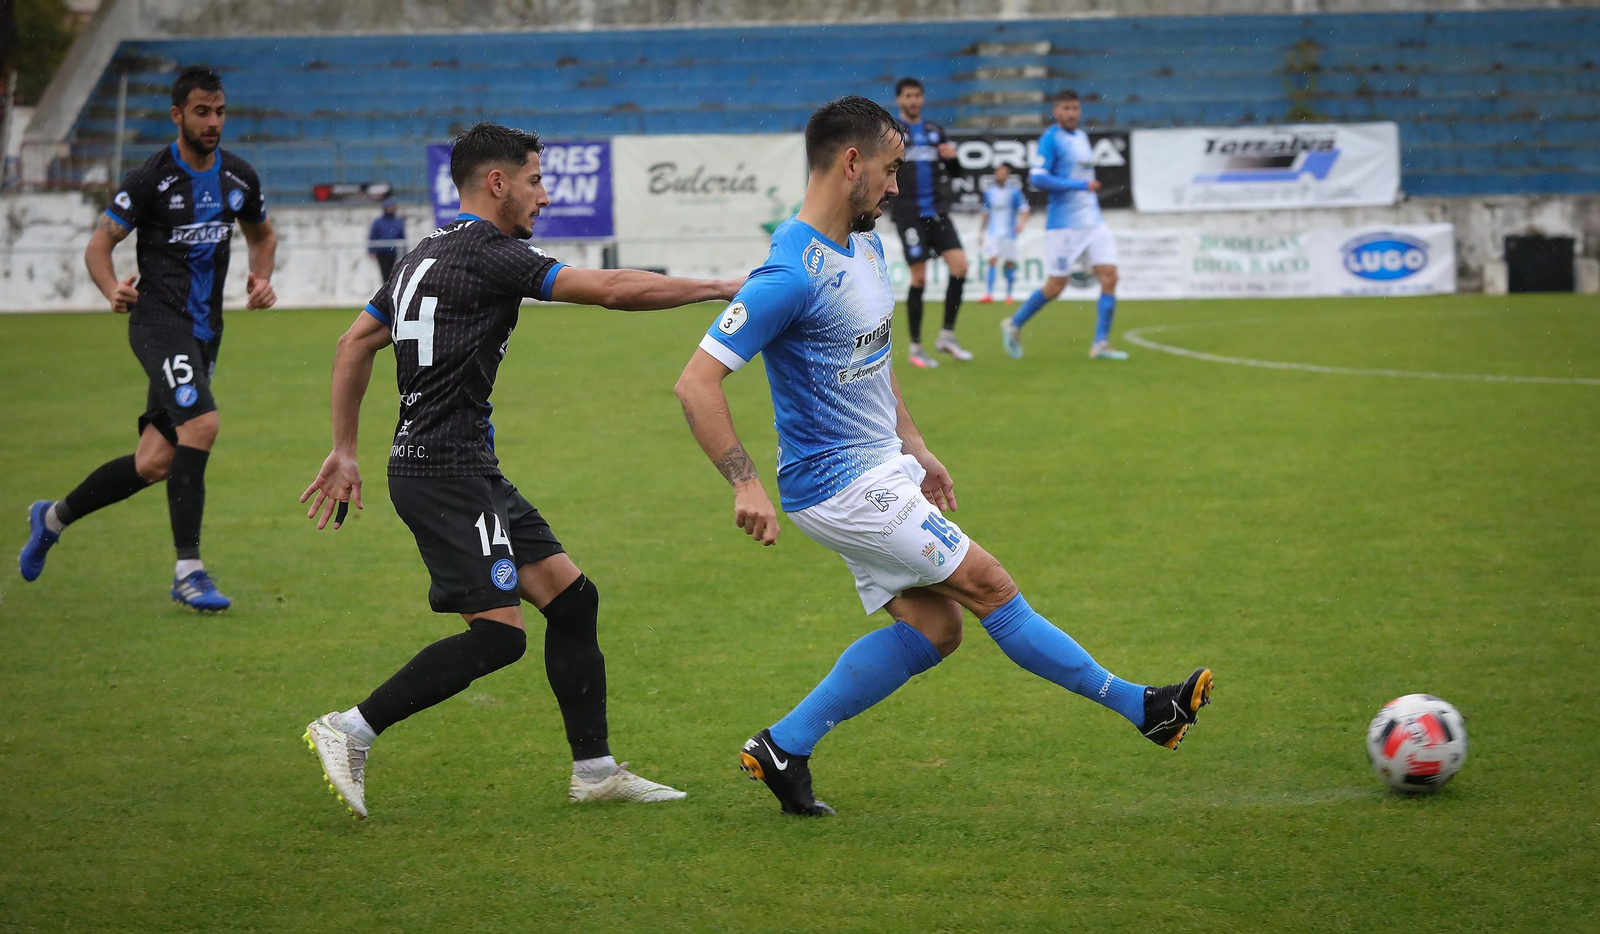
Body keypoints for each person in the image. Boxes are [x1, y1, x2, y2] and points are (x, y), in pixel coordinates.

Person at [674, 96, 1213, 817]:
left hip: (877, 467)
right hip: (839, 485)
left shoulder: (864, 246)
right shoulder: (790, 273)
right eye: (891, 169)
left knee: (936, 628)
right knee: (991, 586)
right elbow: (696, 382)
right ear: (852, 163)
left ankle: (784, 747)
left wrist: (917, 447)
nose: (898, 186)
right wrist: (743, 484)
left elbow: (873, 359)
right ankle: (1144, 708)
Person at [299, 123, 742, 820]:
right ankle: (351, 728)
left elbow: (353, 341)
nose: (545, 195)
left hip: (460, 466)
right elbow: (611, 288)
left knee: (572, 601)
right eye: (535, 180)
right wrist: (721, 286)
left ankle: (595, 772)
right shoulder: (491, 253)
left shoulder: (421, 254)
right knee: (499, 635)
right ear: (496, 182)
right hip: (444, 473)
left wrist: (344, 447)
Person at [18, 65, 277, 611]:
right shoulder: (150, 179)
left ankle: (52, 518)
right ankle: (189, 571)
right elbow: (99, 244)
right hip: (158, 324)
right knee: (202, 425)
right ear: (177, 115)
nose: (213, 122)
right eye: (201, 112)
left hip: (205, 333)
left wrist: (261, 277)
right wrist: (112, 287)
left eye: (220, 112)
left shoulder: (239, 177)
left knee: (154, 462)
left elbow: (263, 234)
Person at [1001, 90, 1126, 361]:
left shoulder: (1081, 137)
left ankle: (1101, 343)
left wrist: (1084, 188)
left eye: (1075, 108)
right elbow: (1038, 178)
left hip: (1093, 221)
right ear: (1055, 111)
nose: (1071, 113)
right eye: (1066, 108)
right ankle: (1014, 323)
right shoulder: (1051, 139)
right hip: (1064, 225)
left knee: (1110, 276)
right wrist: (1080, 185)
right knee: (1056, 285)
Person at [890, 77, 971, 367]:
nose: (913, 100)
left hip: (937, 212)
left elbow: (956, 172)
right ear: (899, 100)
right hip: (909, 214)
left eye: (917, 95)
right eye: (908, 96)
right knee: (919, 278)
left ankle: (947, 335)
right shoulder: (891, 132)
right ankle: (916, 347)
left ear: (922, 99)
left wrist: (953, 159)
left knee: (960, 267)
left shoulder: (935, 131)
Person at [977, 163, 1029, 303]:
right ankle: (989, 293)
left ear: (1007, 175)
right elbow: (986, 214)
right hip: (993, 232)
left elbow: (1025, 210)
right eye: (998, 172)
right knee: (992, 260)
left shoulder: (1014, 192)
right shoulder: (989, 193)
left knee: (1009, 263)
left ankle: (1009, 295)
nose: (1000, 175)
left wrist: (1021, 224)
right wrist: (981, 233)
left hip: (1009, 233)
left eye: (1003, 173)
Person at [367, 197, 405, 283]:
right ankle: (386, 288)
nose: (390, 209)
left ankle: (389, 288)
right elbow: (372, 236)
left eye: (391, 207)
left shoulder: (398, 222)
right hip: (381, 252)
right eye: (388, 207)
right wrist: (371, 250)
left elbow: (402, 237)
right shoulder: (378, 222)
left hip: (392, 252)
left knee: (393, 273)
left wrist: (404, 251)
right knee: (385, 274)